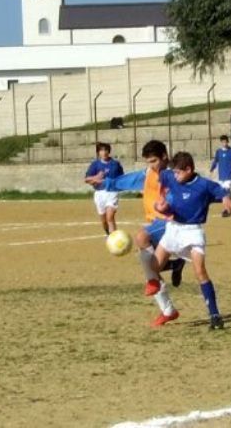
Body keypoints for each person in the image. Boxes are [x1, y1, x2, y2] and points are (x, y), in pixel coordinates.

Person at [88, 140, 187, 327]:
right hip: (155, 223)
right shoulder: (149, 173)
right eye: (148, 162)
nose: (151, 166)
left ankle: (156, 278)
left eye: (154, 161)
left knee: (141, 237)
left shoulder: (175, 175)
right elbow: (129, 180)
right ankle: (168, 309)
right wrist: (106, 182)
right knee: (145, 260)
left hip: (170, 222)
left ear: (165, 157)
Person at [152, 152, 231, 330]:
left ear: (189, 169)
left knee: (200, 272)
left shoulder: (204, 185)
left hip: (193, 232)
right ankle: (168, 305)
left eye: (178, 172)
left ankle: (214, 315)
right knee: (153, 269)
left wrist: (227, 198)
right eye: (173, 172)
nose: (175, 176)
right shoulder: (170, 176)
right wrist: (160, 204)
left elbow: (222, 191)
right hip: (173, 229)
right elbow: (160, 173)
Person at [84, 142, 124, 235]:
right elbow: (87, 179)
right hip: (99, 194)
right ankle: (108, 233)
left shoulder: (115, 164)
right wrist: (96, 177)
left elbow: (122, 178)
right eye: (101, 150)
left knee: (110, 217)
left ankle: (114, 239)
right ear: (98, 152)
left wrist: (121, 186)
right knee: (104, 220)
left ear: (109, 151)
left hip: (112, 192)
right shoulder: (95, 164)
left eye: (106, 150)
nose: (104, 152)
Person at [209, 135, 231, 216]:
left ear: (228, 142)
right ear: (221, 142)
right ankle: (230, 203)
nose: (224, 143)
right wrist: (212, 169)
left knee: (226, 193)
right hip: (221, 176)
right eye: (223, 142)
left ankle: (227, 210)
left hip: (229, 176)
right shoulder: (218, 152)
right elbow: (215, 161)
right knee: (223, 194)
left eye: (225, 142)